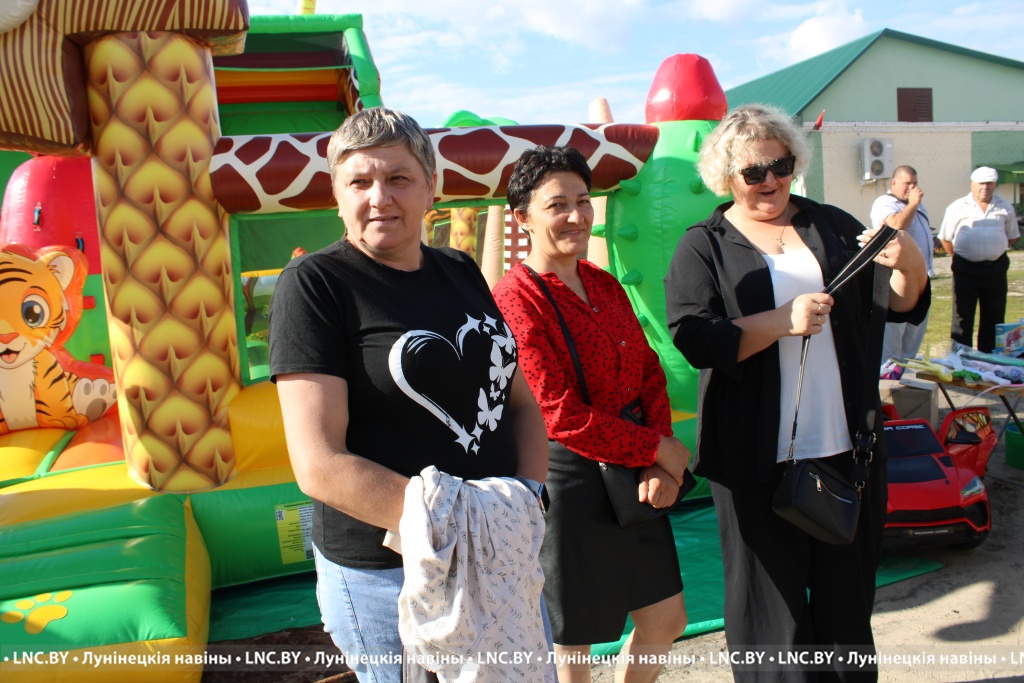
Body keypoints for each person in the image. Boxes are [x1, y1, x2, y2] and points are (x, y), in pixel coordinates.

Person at [268, 107, 550, 683]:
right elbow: (319, 464)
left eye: (398, 177)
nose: (380, 198)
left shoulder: (460, 270)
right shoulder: (315, 285)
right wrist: (461, 529)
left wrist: (527, 499)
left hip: (497, 554)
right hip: (387, 573)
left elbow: (518, 402)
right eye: (359, 182)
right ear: (337, 195)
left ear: (430, 188)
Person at [664, 104, 928, 682]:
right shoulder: (703, 245)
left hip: (847, 450)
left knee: (847, 611)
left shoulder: (831, 225)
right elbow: (695, 338)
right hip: (753, 461)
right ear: (726, 176)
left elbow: (896, 302)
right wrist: (781, 321)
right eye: (753, 171)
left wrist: (910, 263)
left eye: (781, 166)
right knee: (771, 620)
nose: (771, 181)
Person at [492, 146, 690, 683]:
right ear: (523, 217)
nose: (576, 216)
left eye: (583, 201)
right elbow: (558, 414)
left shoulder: (603, 282)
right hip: (570, 479)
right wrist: (656, 448)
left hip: (634, 470)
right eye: (557, 204)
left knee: (666, 620)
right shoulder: (515, 298)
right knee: (572, 641)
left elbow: (649, 372)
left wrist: (657, 459)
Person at [937, 166, 1020, 352]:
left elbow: (1011, 236)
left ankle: (988, 355)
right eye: (981, 183)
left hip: (995, 268)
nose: (985, 187)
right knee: (962, 315)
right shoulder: (957, 207)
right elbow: (945, 238)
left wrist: (993, 248)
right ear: (972, 185)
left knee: (994, 314)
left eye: (989, 183)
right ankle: (961, 355)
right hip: (965, 268)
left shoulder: (1005, 207)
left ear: (995, 185)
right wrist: (960, 256)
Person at [870, 165, 933, 366]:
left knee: (912, 339)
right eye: (907, 184)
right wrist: (913, 204)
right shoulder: (885, 203)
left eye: (915, 183)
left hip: (920, 278)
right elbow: (895, 225)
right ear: (894, 183)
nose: (912, 188)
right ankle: (887, 378)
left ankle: (904, 375)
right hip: (896, 281)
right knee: (892, 340)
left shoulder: (915, 205)